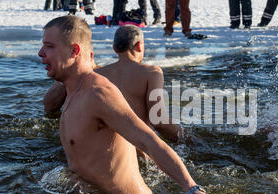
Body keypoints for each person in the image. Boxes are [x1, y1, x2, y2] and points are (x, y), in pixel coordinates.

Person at [38, 16, 218, 194]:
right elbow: (48, 106)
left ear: (74, 51)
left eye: (49, 46)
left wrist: (192, 190)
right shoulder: (72, 88)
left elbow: (148, 140)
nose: (41, 53)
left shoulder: (98, 94)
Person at [44, 25, 181, 143]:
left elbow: (50, 106)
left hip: (101, 148)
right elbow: (158, 120)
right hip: (138, 146)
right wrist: (188, 139)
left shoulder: (96, 75)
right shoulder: (151, 72)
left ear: (115, 48)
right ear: (139, 46)